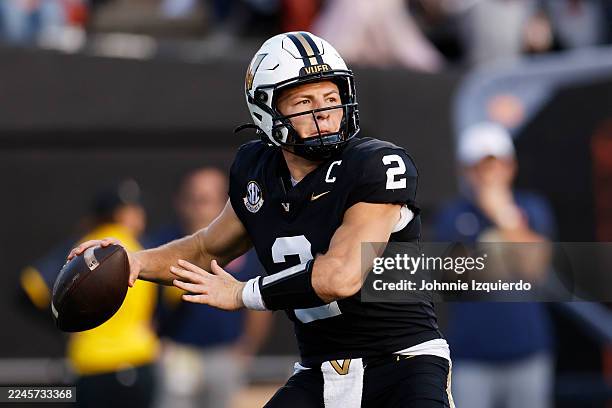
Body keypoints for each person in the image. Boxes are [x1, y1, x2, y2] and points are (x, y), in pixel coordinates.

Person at [69, 32, 453, 407]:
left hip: (404, 363)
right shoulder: (257, 170)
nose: (323, 114)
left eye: (331, 98)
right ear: (267, 111)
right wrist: (136, 260)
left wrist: (241, 293)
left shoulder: (375, 163)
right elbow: (206, 248)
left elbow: (341, 276)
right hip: (322, 370)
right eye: (304, 101)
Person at [434, 122, 555, 408]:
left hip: (528, 352)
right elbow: (457, 278)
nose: (490, 174)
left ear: (511, 166)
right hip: (472, 357)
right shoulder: (453, 215)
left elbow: (533, 269)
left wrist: (503, 215)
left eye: (497, 164)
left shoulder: (533, 208)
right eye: (481, 166)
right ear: (466, 170)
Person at [23, 179, 160, 408]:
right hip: (138, 357)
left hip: (90, 362)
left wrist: (64, 323)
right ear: (120, 214)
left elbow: (29, 286)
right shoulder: (144, 247)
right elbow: (178, 294)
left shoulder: (82, 247)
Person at [150, 168, 272, 408]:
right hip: (177, 352)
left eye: (205, 200)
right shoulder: (163, 244)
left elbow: (260, 298)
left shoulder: (244, 245)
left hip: (224, 354)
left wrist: (247, 347)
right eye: (192, 199)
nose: (197, 207)